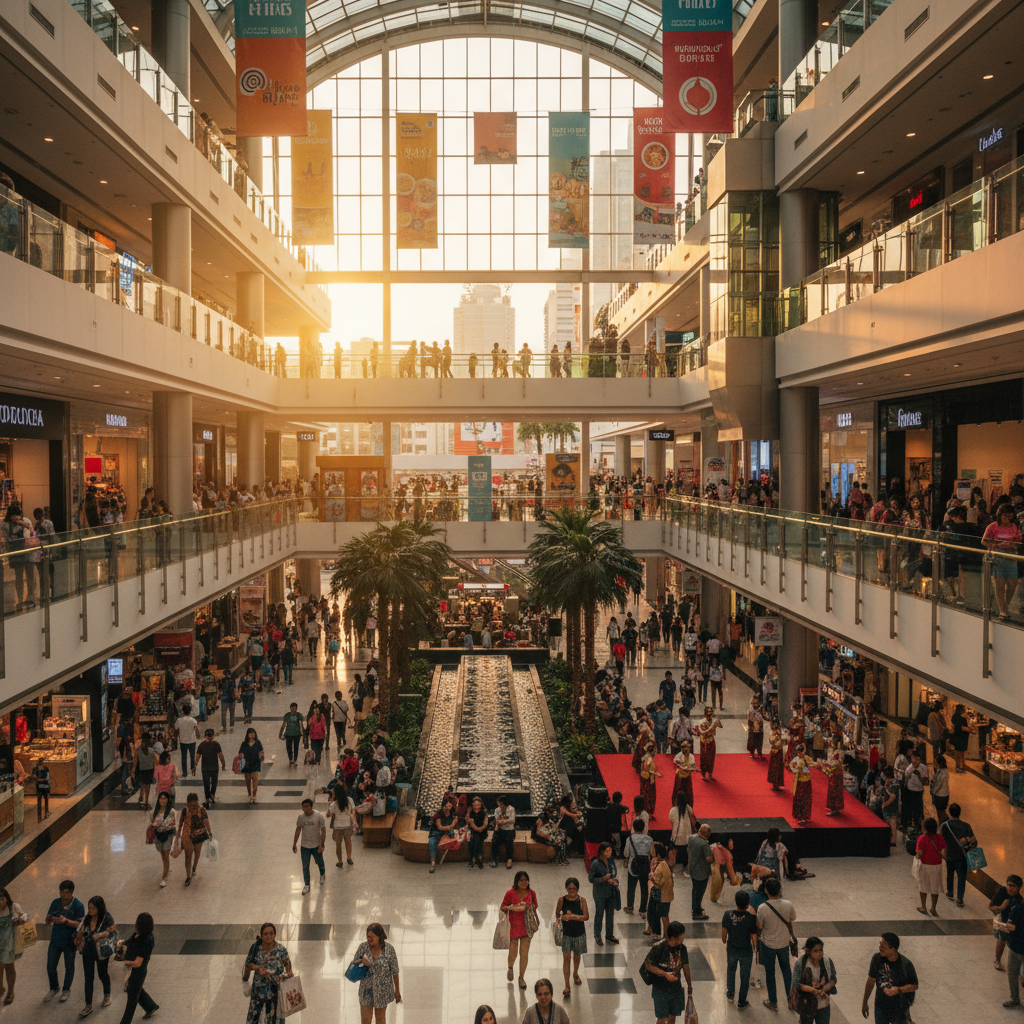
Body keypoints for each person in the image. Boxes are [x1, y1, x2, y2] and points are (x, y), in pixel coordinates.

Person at [755, 877, 797, 1011]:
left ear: (766, 891)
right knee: (786, 972)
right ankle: (791, 1001)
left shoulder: (762, 908)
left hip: (768, 945)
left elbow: (759, 926)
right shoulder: (788, 904)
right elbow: (792, 919)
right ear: (780, 890)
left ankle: (773, 1001)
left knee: (770, 973)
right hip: (784, 943)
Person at [861, 932, 918, 1023]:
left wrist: (898, 990)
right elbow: (870, 981)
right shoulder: (876, 959)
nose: (880, 948)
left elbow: (914, 986)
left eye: (883, 947)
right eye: (880, 945)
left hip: (899, 1009)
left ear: (892, 950)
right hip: (880, 1007)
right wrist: (864, 1002)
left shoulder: (906, 964)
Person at [642, 921, 693, 1024]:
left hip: (675, 988)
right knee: (662, 1018)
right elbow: (647, 964)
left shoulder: (682, 949)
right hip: (660, 990)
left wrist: (689, 985)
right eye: (681, 936)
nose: (683, 938)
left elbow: (686, 966)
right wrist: (665, 974)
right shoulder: (658, 947)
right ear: (674, 937)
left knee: (672, 1016)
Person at [243, 923, 292, 1024]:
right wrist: (259, 967)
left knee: (275, 1019)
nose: (269, 936)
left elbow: (287, 964)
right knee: (254, 1017)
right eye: (266, 934)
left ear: (275, 934)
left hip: (276, 992)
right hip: (258, 991)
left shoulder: (281, 950)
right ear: (261, 936)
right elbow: (248, 964)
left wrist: (289, 974)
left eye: (271, 933)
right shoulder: (256, 948)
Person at [45, 879, 84, 1002]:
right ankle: (54, 987)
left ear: (72, 892)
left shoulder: (78, 906)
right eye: (62, 892)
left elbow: (80, 925)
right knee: (50, 965)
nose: (64, 895)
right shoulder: (56, 903)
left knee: (69, 966)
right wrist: (50, 918)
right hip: (55, 940)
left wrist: (65, 921)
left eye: (67, 893)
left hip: (69, 942)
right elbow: (48, 917)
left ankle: (66, 989)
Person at [75, 895, 115, 1017]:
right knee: (88, 978)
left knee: (102, 973)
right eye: (89, 908)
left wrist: (100, 935)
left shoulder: (106, 917)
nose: (90, 910)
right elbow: (81, 930)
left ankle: (107, 994)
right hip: (88, 951)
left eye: (93, 908)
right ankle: (88, 1005)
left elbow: (112, 931)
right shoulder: (87, 918)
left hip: (101, 951)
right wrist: (78, 938)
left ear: (99, 907)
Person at [353, 923, 401, 1024]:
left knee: (380, 1020)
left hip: (383, 991)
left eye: (372, 937)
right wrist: (362, 962)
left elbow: (395, 971)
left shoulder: (389, 949)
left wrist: (397, 991)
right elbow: (354, 965)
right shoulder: (363, 947)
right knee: (365, 1020)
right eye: (368, 936)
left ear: (379, 936)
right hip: (366, 990)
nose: (369, 939)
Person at [116, 913, 157, 1024]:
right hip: (133, 970)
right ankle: (150, 1006)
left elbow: (138, 963)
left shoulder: (147, 940)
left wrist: (123, 962)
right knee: (134, 990)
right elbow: (129, 942)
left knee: (132, 999)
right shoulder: (138, 935)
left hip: (138, 971)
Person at [721, 889, 759, 1009]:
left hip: (732, 948)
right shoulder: (751, 918)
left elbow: (724, 934)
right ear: (748, 904)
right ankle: (742, 1001)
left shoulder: (728, 915)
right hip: (746, 951)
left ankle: (731, 994)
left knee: (731, 970)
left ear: (736, 902)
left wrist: (725, 940)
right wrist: (756, 950)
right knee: (745, 975)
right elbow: (754, 937)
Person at [982, 504, 1021, 617]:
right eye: (1005, 516)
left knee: (1012, 584)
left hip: (1011, 556)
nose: (1007, 519)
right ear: (1000, 515)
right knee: (999, 584)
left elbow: (1018, 541)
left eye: (1009, 516)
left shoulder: (1014, 527)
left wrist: (1013, 545)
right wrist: (996, 545)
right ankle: (1003, 609)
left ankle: (1005, 607)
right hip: (998, 556)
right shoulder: (993, 527)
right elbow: (984, 541)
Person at [501, 870, 538, 989]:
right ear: (517, 881)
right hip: (514, 926)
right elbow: (503, 907)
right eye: (521, 880)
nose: (523, 882)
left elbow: (535, 906)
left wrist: (525, 907)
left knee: (524, 953)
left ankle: (521, 977)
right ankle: (510, 967)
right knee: (513, 950)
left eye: (525, 880)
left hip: (527, 927)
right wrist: (512, 907)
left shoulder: (531, 893)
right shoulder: (510, 893)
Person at [555, 877, 589, 996]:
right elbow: (557, 913)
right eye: (569, 888)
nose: (572, 890)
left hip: (579, 932)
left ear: (577, 889)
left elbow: (586, 916)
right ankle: (567, 985)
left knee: (577, 956)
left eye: (574, 888)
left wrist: (572, 916)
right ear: (566, 888)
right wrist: (561, 918)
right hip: (566, 933)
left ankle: (575, 973)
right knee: (566, 958)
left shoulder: (582, 901)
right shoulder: (561, 900)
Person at [792, 936, 837, 1024]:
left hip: (824, 1005)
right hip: (806, 1004)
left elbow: (833, 979)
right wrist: (813, 990)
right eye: (816, 951)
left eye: (821, 950)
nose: (820, 953)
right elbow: (796, 983)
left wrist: (824, 989)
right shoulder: (801, 963)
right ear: (808, 951)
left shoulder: (827, 961)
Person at [292, 798, 327, 895]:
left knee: (319, 862)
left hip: (316, 845)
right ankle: (307, 884)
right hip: (305, 846)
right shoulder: (301, 818)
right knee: (305, 866)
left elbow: (323, 830)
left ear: (311, 807)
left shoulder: (319, 816)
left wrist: (322, 844)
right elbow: (298, 830)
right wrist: (295, 843)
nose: (306, 808)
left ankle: (322, 874)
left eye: (308, 806)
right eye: (304, 807)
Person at [0, 887, 28, 1005]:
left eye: (2, 899)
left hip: (9, 944)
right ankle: (0, 988)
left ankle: (10, 992)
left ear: (6, 898)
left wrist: (20, 919)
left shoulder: (13, 907)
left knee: (9, 968)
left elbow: (24, 917)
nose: (0, 902)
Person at [588, 842, 620, 946]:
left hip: (610, 892)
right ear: (602, 852)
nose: (609, 853)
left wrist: (613, 880)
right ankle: (597, 935)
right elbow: (591, 879)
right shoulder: (596, 863)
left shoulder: (611, 861)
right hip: (600, 893)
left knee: (610, 914)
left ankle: (609, 934)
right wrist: (604, 879)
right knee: (599, 914)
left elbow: (614, 873)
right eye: (607, 851)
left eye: (610, 850)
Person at [177, 793, 211, 886]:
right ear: (188, 803)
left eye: (195, 805)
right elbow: (181, 823)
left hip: (199, 834)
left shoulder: (202, 810)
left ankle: (194, 867)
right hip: (187, 835)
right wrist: (178, 835)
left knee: (197, 852)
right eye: (191, 805)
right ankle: (188, 876)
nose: (193, 807)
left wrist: (210, 832)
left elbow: (206, 821)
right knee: (188, 856)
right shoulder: (184, 811)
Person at [991, 875, 1023, 974]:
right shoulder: (1002, 892)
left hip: (1014, 923)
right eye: (1008, 885)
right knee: (1001, 940)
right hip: (1004, 921)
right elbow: (990, 906)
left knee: (1014, 943)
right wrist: (1000, 908)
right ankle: (997, 960)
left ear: (1019, 888)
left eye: (1013, 886)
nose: (1010, 888)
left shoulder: (1019, 898)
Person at [914, 817, 945, 916]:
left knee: (923, 887)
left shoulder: (922, 838)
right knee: (934, 888)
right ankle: (933, 908)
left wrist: (916, 857)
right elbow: (944, 851)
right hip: (937, 865)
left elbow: (919, 853)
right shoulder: (940, 837)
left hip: (925, 865)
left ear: (925, 828)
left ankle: (923, 907)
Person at [150, 792, 177, 888]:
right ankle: (166, 869)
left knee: (166, 856)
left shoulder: (172, 811)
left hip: (167, 836)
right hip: (158, 836)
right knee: (162, 855)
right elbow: (151, 822)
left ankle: (164, 877)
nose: (163, 800)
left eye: (165, 798)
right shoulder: (154, 811)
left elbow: (174, 824)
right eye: (161, 798)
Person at [687, 824, 713, 920]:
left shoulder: (691, 838)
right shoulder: (704, 844)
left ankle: (695, 907)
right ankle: (697, 912)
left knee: (695, 890)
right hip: (702, 872)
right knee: (699, 892)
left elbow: (688, 850)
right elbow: (709, 858)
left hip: (693, 868)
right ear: (708, 834)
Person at [1002, 895, 1024, 1008]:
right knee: (1011, 973)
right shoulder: (1016, 907)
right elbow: (1009, 921)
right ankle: (1014, 998)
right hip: (1014, 946)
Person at [648, 843, 673, 940]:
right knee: (658, 913)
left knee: (663, 915)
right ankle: (660, 933)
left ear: (658, 854)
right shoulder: (662, 863)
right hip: (661, 893)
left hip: (662, 894)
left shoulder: (662, 865)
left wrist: (651, 878)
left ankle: (666, 936)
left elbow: (659, 882)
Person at [328, 782, 356, 868]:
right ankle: (349, 858)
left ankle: (340, 861)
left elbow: (328, 814)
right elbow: (353, 810)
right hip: (347, 825)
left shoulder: (334, 804)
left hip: (337, 827)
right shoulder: (350, 800)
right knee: (348, 841)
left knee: (338, 844)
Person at [195, 729, 225, 808]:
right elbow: (220, 755)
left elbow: (197, 757)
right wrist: (223, 764)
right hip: (214, 767)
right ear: (213, 736)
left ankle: (207, 799)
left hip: (205, 767)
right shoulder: (216, 744)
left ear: (206, 736)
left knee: (206, 784)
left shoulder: (202, 745)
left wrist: (194, 766)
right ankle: (212, 794)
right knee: (214, 782)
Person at [428, 796, 458, 873]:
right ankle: (433, 861)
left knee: (452, 834)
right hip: (436, 831)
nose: (447, 808)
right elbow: (440, 827)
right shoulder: (438, 814)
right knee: (432, 842)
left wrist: (450, 827)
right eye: (446, 806)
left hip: (446, 830)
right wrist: (450, 826)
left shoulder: (452, 813)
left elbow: (454, 822)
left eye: (449, 806)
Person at [668, 792, 695, 875]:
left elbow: (671, 822)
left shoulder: (673, 810)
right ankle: (687, 869)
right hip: (687, 836)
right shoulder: (688, 808)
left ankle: (671, 869)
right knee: (688, 852)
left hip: (677, 837)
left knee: (673, 852)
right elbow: (693, 820)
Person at [238, 727, 265, 803]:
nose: (252, 735)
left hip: (256, 763)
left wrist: (261, 756)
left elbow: (262, 751)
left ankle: (254, 795)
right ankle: (249, 793)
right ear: (247, 735)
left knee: (255, 780)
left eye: (253, 733)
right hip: (246, 765)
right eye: (250, 733)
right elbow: (240, 752)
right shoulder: (244, 744)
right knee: (247, 780)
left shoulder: (258, 743)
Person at [696, 706, 723, 781]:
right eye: (708, 712)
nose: (710, 714)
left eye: (711, 712)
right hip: (704, 741)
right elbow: (703, 732)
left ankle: (710, 773)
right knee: (704, 757)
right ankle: (704, 774)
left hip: (711, 740)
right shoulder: (702, 722)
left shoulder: (714, 721)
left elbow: (720, 726)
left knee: (711, 757)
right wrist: (712, 726)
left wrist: (717, 722)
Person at [131, 733, 156, 811]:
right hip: (150, 769)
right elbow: (155, 761)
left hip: (141, 770)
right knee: (147, 786)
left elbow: (135, 762)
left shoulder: (138, 750)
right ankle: (146, 801)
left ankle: (141, 796)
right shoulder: (151, 750)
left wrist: (133, 771)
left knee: (142, 783)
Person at [790, 743, 813, 824]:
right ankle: (799, 816)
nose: (799, 754)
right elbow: (792, 767)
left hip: (806, 780)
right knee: (799, 798)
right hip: (799, 781)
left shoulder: (807, 759)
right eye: (798, 752)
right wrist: (797, 770)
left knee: (806, 799)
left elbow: (811, 765)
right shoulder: (795, 760)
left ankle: (805, 816)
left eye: (801, 752)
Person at [491, 795, 516, 869]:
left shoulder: (511, 809)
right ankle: (495, 859)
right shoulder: (497, 810)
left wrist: (503, 821)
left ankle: (509, 859)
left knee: (509, 841)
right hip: (500, 829)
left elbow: (512, 820)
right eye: (499, 804)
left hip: (510, 830)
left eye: (501, 804)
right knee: (495, 841)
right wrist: (504, 821)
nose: (500, 806)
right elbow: (497, 820)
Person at [465, 796, 489, 869]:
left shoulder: (484, 812)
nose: (476, 807)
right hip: (474, 830)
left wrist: (480, 829)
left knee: (477, 838)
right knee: (474, 839)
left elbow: (485, 824)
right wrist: (468, 812)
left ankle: (474, 857)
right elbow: (470, 822)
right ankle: (479, 857)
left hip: (483, 831)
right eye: (474, 806)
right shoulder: (471, 813)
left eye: (478, 805)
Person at [174, 709, 199, 777]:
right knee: (192, 756)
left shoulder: (179, 720)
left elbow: (176, 728)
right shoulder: (193, 720)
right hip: (192, 741)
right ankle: (192, 770)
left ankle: (184, 772)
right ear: (190, 711)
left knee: (184, 757)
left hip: (183, 741)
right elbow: (196, 730)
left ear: (183, 712)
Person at [279, 703, 305, 767]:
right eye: (292, 708)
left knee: (296, 747)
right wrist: (280, 733)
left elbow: (303, 724)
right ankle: (290, 759)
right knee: (289, 747)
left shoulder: (299, 715)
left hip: (297, 734)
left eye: (294, 709)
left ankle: (295, 759)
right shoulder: (287, 715)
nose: (293, 710)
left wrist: (303, 733)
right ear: (290, 708)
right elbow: (283, 725)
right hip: (288, 734)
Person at [929, 754, 950, 823]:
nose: (934, 764)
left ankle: (943, 825)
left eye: (935, 762)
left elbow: (937, 785)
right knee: (941, 811)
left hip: (940, 796)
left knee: (940, 813)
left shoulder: (941, 774)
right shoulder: (944, 771)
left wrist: (933, 793)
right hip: (944, 795)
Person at [767, 722, 785, 790]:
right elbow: (777, 743)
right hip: (777, 753)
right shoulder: (775, 736)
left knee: (777, 767)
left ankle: (776, 783)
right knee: (776, 768)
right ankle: (775, 784)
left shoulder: (775, 735)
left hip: (777, 752)